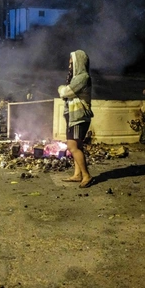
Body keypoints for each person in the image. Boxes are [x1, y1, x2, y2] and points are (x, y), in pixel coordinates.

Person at [58, 49, 95, 188]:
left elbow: (66, 92)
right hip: (74, 117)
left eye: (71, 63)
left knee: (72, 146)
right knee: (77, 146)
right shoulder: (77, 78)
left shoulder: (82, 77)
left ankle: (86, 175)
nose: (69, 66)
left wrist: (61, 89)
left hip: (78, 117)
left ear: (79, 62)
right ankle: (77, 175)